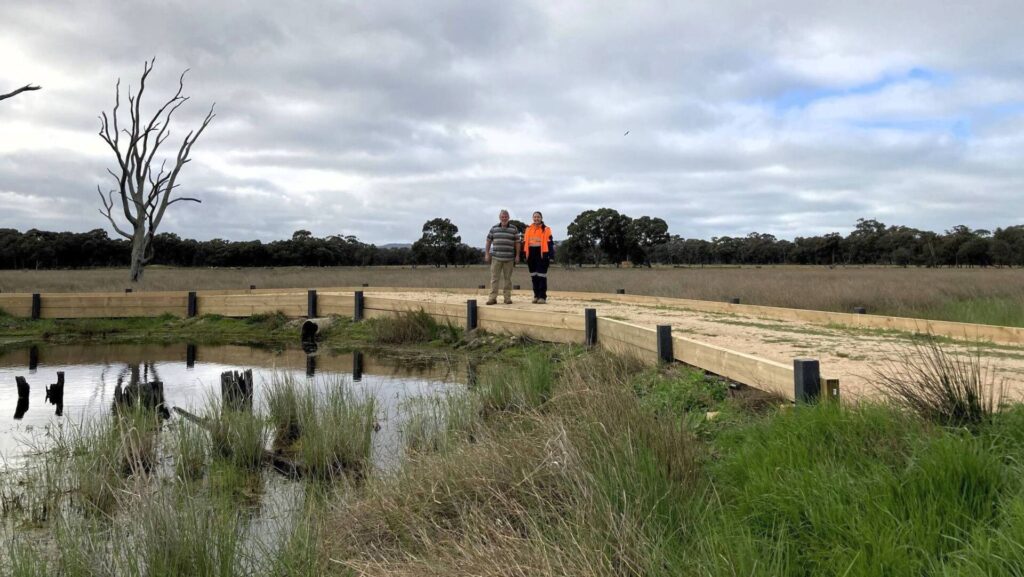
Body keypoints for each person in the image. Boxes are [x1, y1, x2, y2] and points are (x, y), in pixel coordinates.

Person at [484, 209, 520, 305]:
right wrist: (487, 253)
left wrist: (517, 255)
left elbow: (517, 243)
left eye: (505, 217)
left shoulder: (514, 229)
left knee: (508, 279)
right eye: (502, 217)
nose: (504, 218)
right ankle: (492, 298)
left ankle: (507, 298)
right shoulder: (494, 228)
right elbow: (488, 241)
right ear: (500, 218)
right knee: (494, 278)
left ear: (508, 218)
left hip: (509, 258)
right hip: (496, 258)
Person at [522, 211, 554, 304]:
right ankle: (536, 296)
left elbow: (550, 243)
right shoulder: (528, 229)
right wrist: (524, 255)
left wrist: (551, 256)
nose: (536, 218)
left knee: (541, 276)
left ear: (541, 218)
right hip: (531, 254)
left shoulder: (546, 229)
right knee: (534, 276)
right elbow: (525, 243)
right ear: (533, 218)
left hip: (542, 254)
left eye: (538, 217)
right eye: (535, 217)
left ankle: (542, 297)